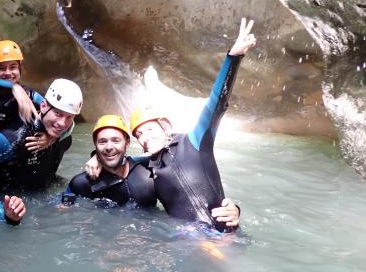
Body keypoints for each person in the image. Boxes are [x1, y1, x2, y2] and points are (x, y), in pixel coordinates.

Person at [85, 18, 256, 232]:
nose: (145, 137)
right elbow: (118, 158)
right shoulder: (147, 166)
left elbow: (216, 104)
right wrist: (96, 156)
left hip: (224, 235)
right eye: (139, 135)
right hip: (187, 242)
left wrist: (233, 57)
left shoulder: (194, 142)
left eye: (149, 129)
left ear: (164, 127)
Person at [0, 78, 83, 192]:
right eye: (58, 113)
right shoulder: (15, 139)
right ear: (43, 106)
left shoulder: (65, 139)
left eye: (69, 117)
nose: (62, 124)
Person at [63, 115, 156, 207]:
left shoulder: (149, 179)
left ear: (127, 143)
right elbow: (63, 212)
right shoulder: (79, 184)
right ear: (95, 144)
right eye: (102, 142)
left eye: (116, 141)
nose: (109, 147)